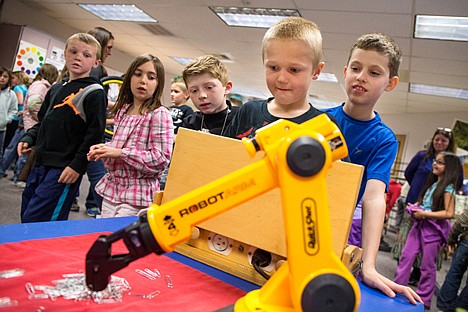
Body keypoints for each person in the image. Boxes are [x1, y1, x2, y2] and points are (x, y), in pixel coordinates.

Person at [322, 33, 421, 304]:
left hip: (344, 227)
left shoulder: (383, 140)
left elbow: (374, 197)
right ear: (345, 72)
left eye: (374, 72)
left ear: (390, 84)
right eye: (355, 68)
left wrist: (369, 264)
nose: (361, 76)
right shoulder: (320, 119)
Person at [17, 33, 107, 223]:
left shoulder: (95, 92)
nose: (78, 57)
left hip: (64, 169)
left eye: (86, 55)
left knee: (43, 220)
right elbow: (43, 122)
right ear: (65, 54)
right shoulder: (57, 88)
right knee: (27, 213)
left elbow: (94, 135)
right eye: (73, 52)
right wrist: (29, 138)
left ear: (96, 63)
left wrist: (77, 166)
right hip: (40, 163)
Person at [87, 54, 173, 218]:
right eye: (138, 74)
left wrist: (120, 153)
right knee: (105, 236)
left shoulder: (159, 114)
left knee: (120, 241)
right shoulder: (123, 110)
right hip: (113, 190)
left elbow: (160, 159)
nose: (143, 81)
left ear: (158, 83)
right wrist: (105, 148)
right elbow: (122, 143)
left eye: (151, 77)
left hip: (137, 196)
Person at [223, 17, 328, 140]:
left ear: (316, 71)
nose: (282, 79)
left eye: (294, 70)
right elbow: (224, 153)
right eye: (274, 67)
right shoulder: (248, 111)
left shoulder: (324, 125)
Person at [392, 128, 462, 285]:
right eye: (437, 139)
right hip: (417, 209)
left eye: (444, 140)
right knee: (406, 250)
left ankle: (418, 281)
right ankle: (401, 280)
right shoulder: (422, 157)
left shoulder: (451, 170)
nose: (439, 142)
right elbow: (409, 174)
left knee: (427, 260)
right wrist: (419, 200)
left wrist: (429, 209)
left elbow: (453, 196)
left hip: (433, 220)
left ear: (450, 143)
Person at [75, 26, 115, 217]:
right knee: (99, 177)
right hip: (88, 137)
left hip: (86, 135)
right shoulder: (94, 71)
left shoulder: (98, 71)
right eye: (108, 47)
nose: (110, 52)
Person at [16, 64, 59, 188]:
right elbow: (33, 105)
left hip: (31, 123)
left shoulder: (39, 85)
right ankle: (19, 177)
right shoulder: (41, 86)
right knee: (27, 153)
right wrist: (43, 119)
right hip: (33, 124)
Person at [181, 55, 238, 136]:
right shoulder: (190, 123)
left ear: (227, 88)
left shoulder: (241, 119)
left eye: (209, 87)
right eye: (194, 91)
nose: (201, 95)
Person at [437, 207, 468, 311]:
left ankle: (444, 307)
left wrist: (452, 240)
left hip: (466, 243)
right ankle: (456, 308)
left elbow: (461, 221)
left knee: (454, 274)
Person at [4, 71, 29, 150]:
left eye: (13, 78)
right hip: (21, 116)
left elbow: (20, 101)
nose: (12, 80)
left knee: (7, 138)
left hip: (15, 116)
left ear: (19, 78)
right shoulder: (25, 87)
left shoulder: (17, 87)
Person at [0, 66, 18, 159]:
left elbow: (13, 110)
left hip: (1, 128)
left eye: (5, 76)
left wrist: (7, 119)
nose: (2, 78)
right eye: (0, 76)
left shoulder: (11, 94)